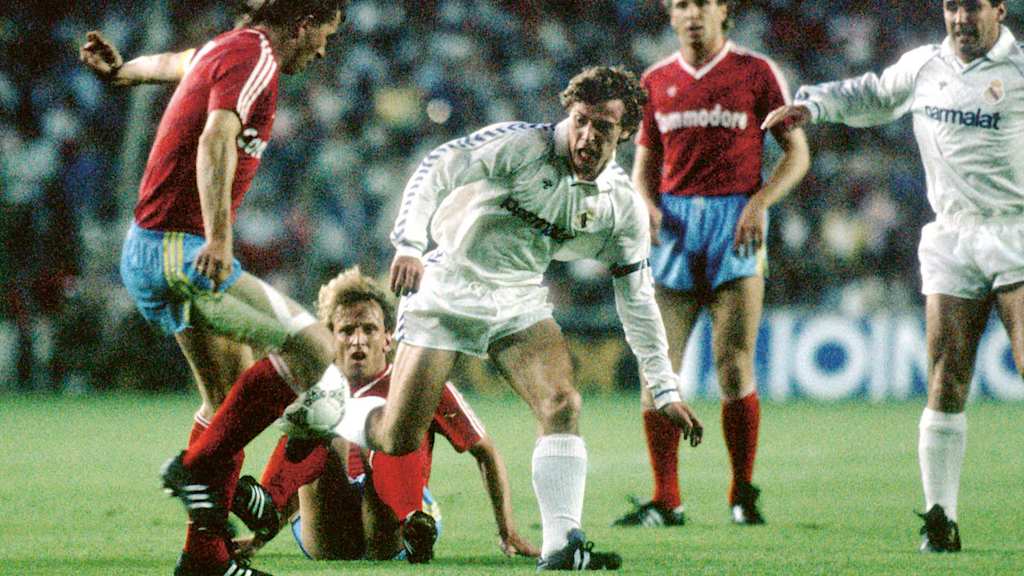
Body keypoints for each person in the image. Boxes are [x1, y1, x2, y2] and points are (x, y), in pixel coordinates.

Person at [328, 65, 705, 571]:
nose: (587, 136)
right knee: (398, 438)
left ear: (626, 133)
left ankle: (561, 545)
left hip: (518, 299)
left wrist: (664, 389)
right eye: (580, 121)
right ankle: (327, 411)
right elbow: (440, 166)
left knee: (562, 402)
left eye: (604, 127)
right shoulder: (523, 146)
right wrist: (410, 245)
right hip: (447, 285)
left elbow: (637, 297)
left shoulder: (621, 207)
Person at [80, 3, 355, 575]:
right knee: (312, 347)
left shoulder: (225, 48)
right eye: (324, 36)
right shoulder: (258, 54)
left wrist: (122, 70)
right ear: (303, 24)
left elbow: (178, 62)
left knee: (223, 400)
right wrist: (221, 239)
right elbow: (214, 141)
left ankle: (204, 559)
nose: (324, 51)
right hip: (179, 249)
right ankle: (194, 468)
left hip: (150, 247)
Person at [763, 0, 1024, 553]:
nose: (960, 18)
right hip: (952, 235)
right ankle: (940, 517)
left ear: (998, 10)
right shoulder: (925, 65)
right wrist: (812, 106)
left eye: (972, 7)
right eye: (952, 6)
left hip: (1016, 230)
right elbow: (873, 94)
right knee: (945, 377)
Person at [612, 0, 810, 529]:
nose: (692, 13)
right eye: (681, 4)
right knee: (658, 370)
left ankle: (743, 492)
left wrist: (760, 203)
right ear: (670, 15)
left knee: (732, 365)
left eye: (702, 3)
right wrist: (646, 205)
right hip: (673, 228)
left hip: (735, 223)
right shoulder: (655, 79)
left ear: (724, 11)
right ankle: (666, 499)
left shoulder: (756, 71)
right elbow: (643, 166)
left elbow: (797, 152)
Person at [229, 267, 538, 562]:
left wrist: (507, 530)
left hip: (390, 522)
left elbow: (484, 451)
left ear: (388, 338)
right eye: (347, 330)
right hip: (330, 531)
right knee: (312, 429)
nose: (358, 339)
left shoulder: (418, 383)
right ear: (329, 337)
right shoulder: (316, 387)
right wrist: (258, 542)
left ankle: (414, 526)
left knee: (392, 431)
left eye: (369, 329)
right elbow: (305, 473)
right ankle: (265, 506)